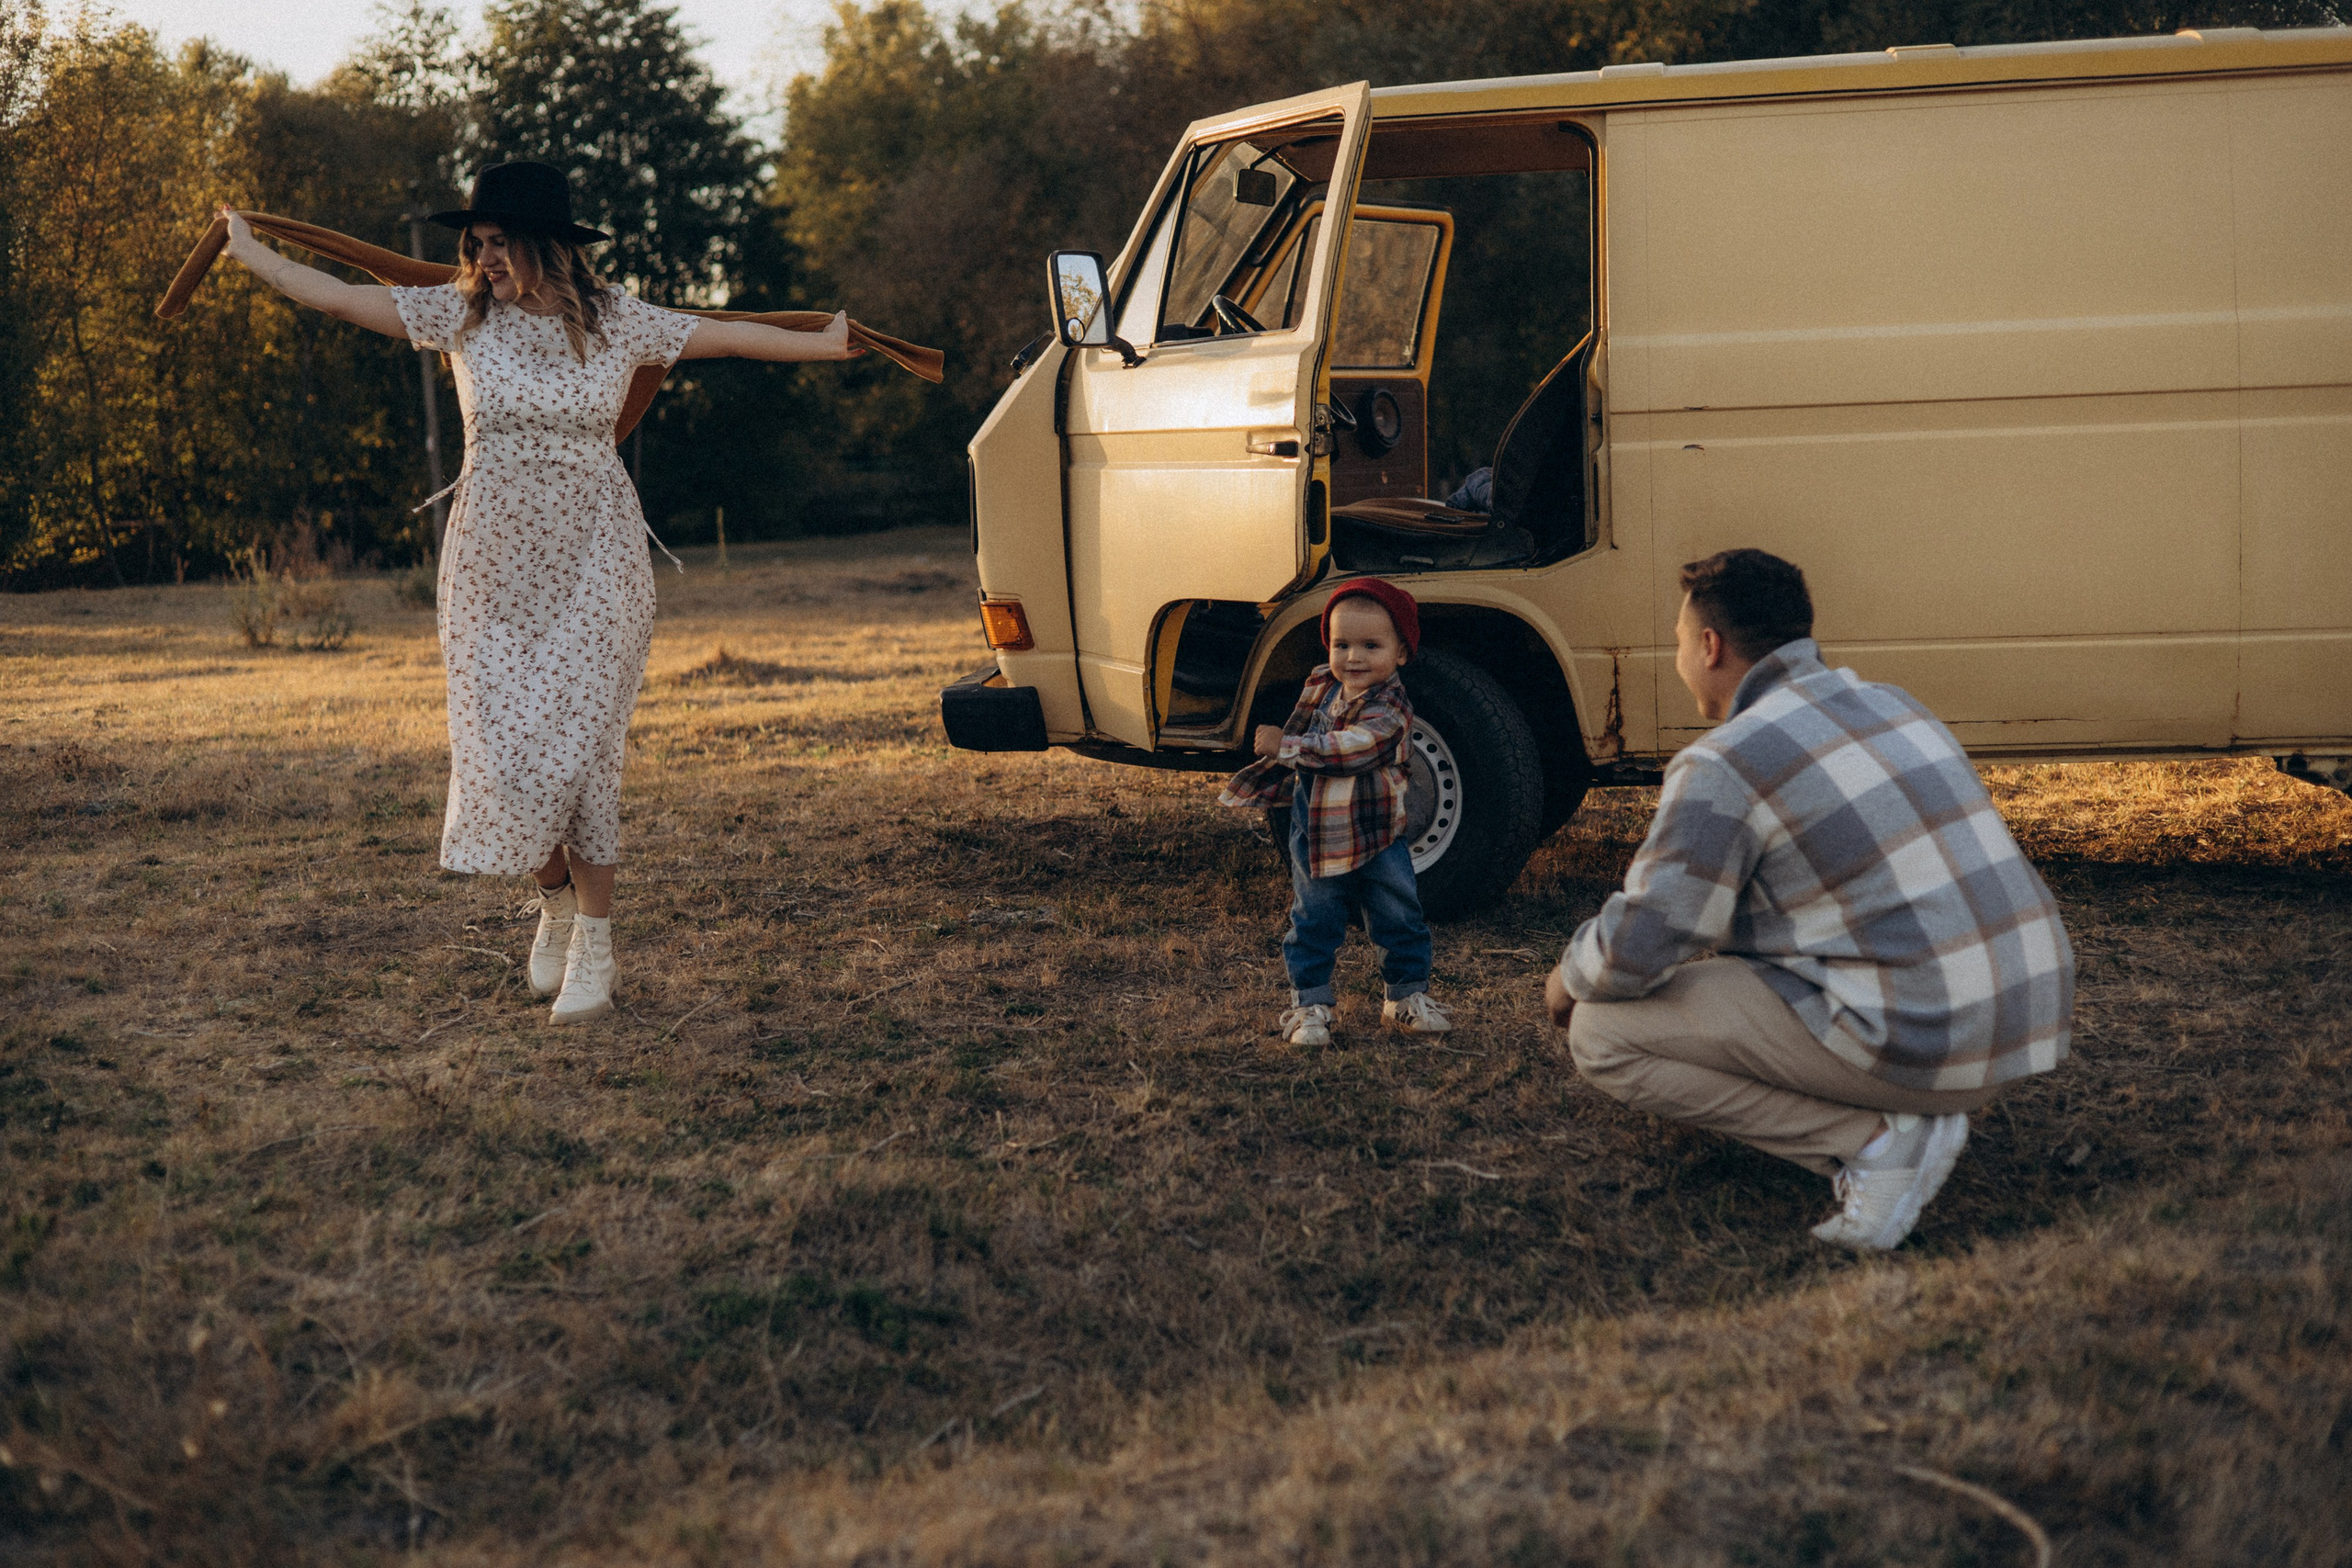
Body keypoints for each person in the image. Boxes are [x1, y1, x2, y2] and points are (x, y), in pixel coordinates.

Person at [218, 161, 864, 1024]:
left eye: (496, 242)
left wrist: (823, 343)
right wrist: (252, 253)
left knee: (585, 759)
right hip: (489, 571)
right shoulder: (458, 317)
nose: (481, 257)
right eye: (474, 243)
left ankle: (595, 943)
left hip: (597, 560)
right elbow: (334, 296)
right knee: (500, 754)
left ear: (543, 246)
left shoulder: (617, 321)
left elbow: (727, 333)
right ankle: (553, 897)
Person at [1544, 548, 2074, 1249]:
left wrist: (1567, 976)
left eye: (1678, 640)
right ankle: (1904, 1114)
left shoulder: (1725, 759)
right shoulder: (1892, 702)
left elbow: (1647, 936)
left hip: (1928, 1039)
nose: (1677, 655)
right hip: (2027, 1016)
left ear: (1710, 646)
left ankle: (1878, 1140)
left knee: (1602, 1032)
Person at [1222, 580, 1453, 1045]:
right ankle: (1310, 1005)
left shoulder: (1393, 707)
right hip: (1318, 832)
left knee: (1398, 913)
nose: (1354, 657)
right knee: (1313, 918)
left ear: (1402, 653)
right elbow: (1310, 741)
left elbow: (1353, 748)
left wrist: (1288, 748)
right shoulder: (1323, 687)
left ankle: (1404, 997)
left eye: (1371, 645)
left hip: (1379, 834)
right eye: (1341, 644)